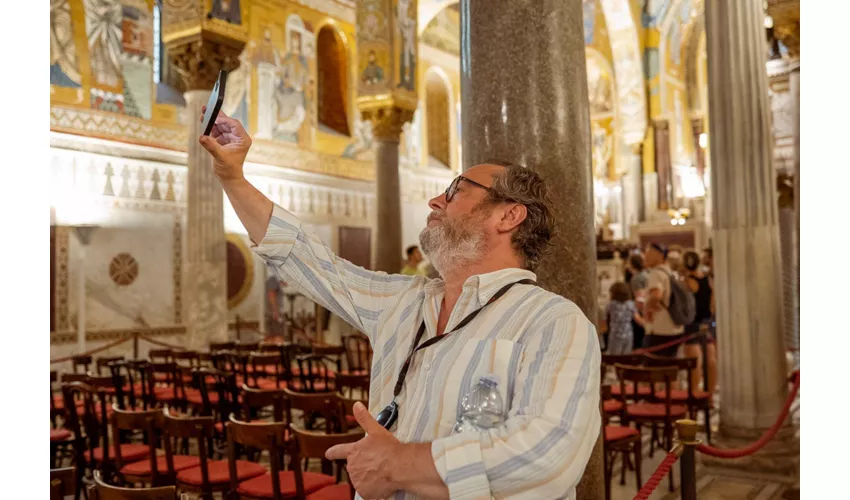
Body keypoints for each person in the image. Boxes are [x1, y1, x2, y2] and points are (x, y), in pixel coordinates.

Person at [198, 110, 601, 499]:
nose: (434, 201)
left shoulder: (554, 322)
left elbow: (548, 457)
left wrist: (394, 465)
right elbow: (304, 257)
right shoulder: (405, 301)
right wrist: (233, 177)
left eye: (455, 191)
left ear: (509, 215)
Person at [681, 250, 717, 394]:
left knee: (695, 360)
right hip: (707, 321)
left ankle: (694, 392)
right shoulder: (708, 280)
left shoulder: (687, 282)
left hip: (692, 323)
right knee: (711, 358)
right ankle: (709, 394)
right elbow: (713, 304)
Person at [642, 242, 685, 357]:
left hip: (660, 329)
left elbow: (656, 295)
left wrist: (647, 309)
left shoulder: (656, 273)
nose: (645, 257)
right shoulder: (670, 272)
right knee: (669, 367)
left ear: (659, 255)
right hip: (674, 327)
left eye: (648, 254)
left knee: (657, 369)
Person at [605, 282, 644, 355]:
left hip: (615, 334)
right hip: (628, 334)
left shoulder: (611, 305)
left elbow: (606, 319)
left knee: (614, 357)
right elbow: (638, 319)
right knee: (626, 357)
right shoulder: (630, 304)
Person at [627, 253, 648, 350]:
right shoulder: (646, 273)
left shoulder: (636, 278)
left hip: (640, 310)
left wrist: (636, 314)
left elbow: (639, 297)